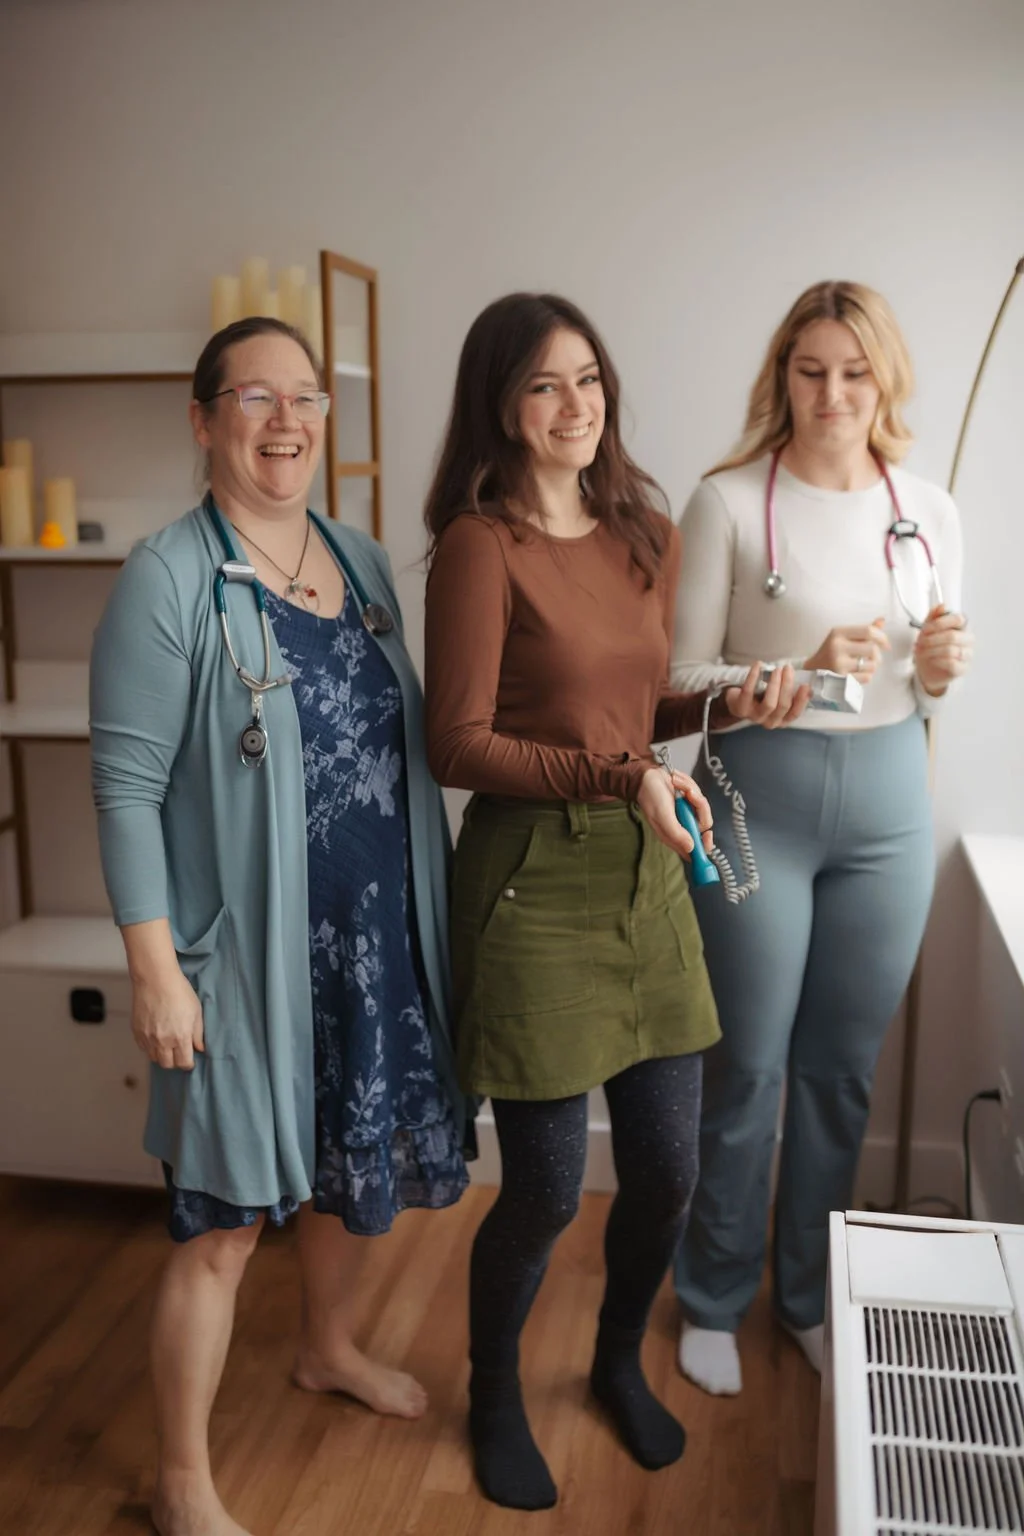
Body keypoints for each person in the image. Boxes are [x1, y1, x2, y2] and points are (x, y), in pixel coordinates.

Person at [422, 292, 807, 1512]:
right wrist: (626, 772)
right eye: (544, 385)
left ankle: (609, 1364)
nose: (575, 406)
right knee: (539, 1186)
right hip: (532, 882)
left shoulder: (641, 530)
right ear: (500, 404)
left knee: (668, 1173)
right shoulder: (481, 546)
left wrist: (724, 704)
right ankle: (491, 1394)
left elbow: (639, 713)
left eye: (587, 379)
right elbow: (457, 746)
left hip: (646, 877)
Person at [90, 316, 468, 1536]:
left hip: (367, 947)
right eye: (254, 396)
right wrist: (156, 967)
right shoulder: (167, 575)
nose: (286, 419)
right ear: (204, 420)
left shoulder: (355, 560)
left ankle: (326, 1348)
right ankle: (183, 1484)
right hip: (244, 962)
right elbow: (126, 788)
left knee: (339, 1179)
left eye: (303, 396)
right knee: (218, 1225)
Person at [671, 280, 974, 1398]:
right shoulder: (726, 503)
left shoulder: (930, 508)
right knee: (744, 1067)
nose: (832, 394)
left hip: (889, 804)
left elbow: (926, 677)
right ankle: (710, 1294)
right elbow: (676, 684)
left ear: (882, 378)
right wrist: (798, 675)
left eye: (854, 371)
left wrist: (934, 673)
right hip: (757, 803)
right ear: (781, 376)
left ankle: (807, 1296)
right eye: (810, 371)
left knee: (841, 1075)